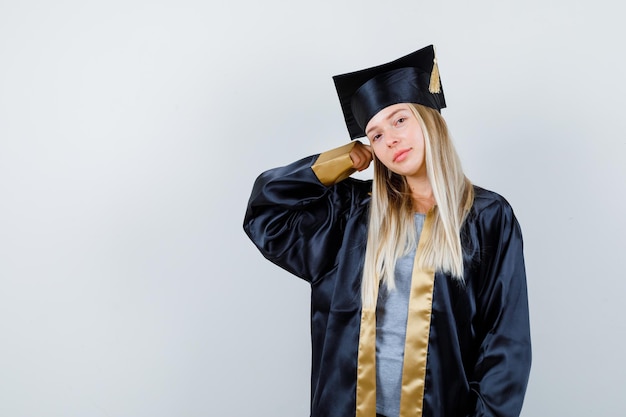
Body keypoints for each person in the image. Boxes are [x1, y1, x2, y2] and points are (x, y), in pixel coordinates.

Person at [243, 45, 531, 417]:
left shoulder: (487, 217)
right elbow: (266, 212)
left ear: (429, 119)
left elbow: (505, 344)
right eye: (375, 135)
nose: (390, 139)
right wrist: (339, 162)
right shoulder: (352, 214)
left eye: (399, 120)